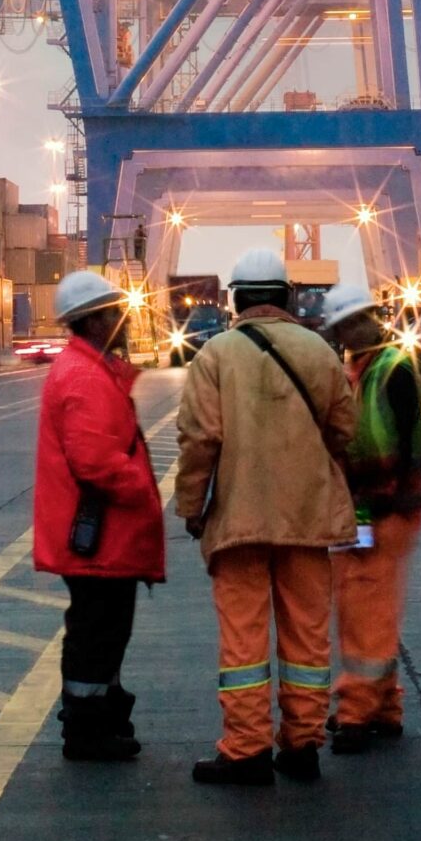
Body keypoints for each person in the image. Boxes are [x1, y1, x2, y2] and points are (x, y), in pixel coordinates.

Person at [173, 246, 356, 786]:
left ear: (236, 299)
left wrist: (191, 507)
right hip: (308, 518)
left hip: (239, 520)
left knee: (243, 642)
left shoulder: (214, 355)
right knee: (307, 639)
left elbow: (199, 440)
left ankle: (247, 750)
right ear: (288, 296)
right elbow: (345, 430)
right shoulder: (320, 352)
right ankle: (302, 746)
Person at [33, 269, 165, 763]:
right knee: (97, 631)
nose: (123, 320)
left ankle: (101, 718)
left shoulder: (89, 369)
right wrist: (143, 491)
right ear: (92, 321)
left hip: (102, 536)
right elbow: (94, 461)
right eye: (114, 313)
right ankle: (87, 730)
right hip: (100, 537)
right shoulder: (85, 377)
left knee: (104, 631)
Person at [317, 284, 421, 753]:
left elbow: (413, 443)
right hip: (363, 507)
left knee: (364, 609)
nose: (346, 333)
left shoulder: (390, 368)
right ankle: (384, 706)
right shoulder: (361, 370)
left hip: (385, 507)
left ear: (368, 319)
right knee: (366, 606)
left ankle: (356, 712)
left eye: (350, 323)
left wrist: (401, 498)